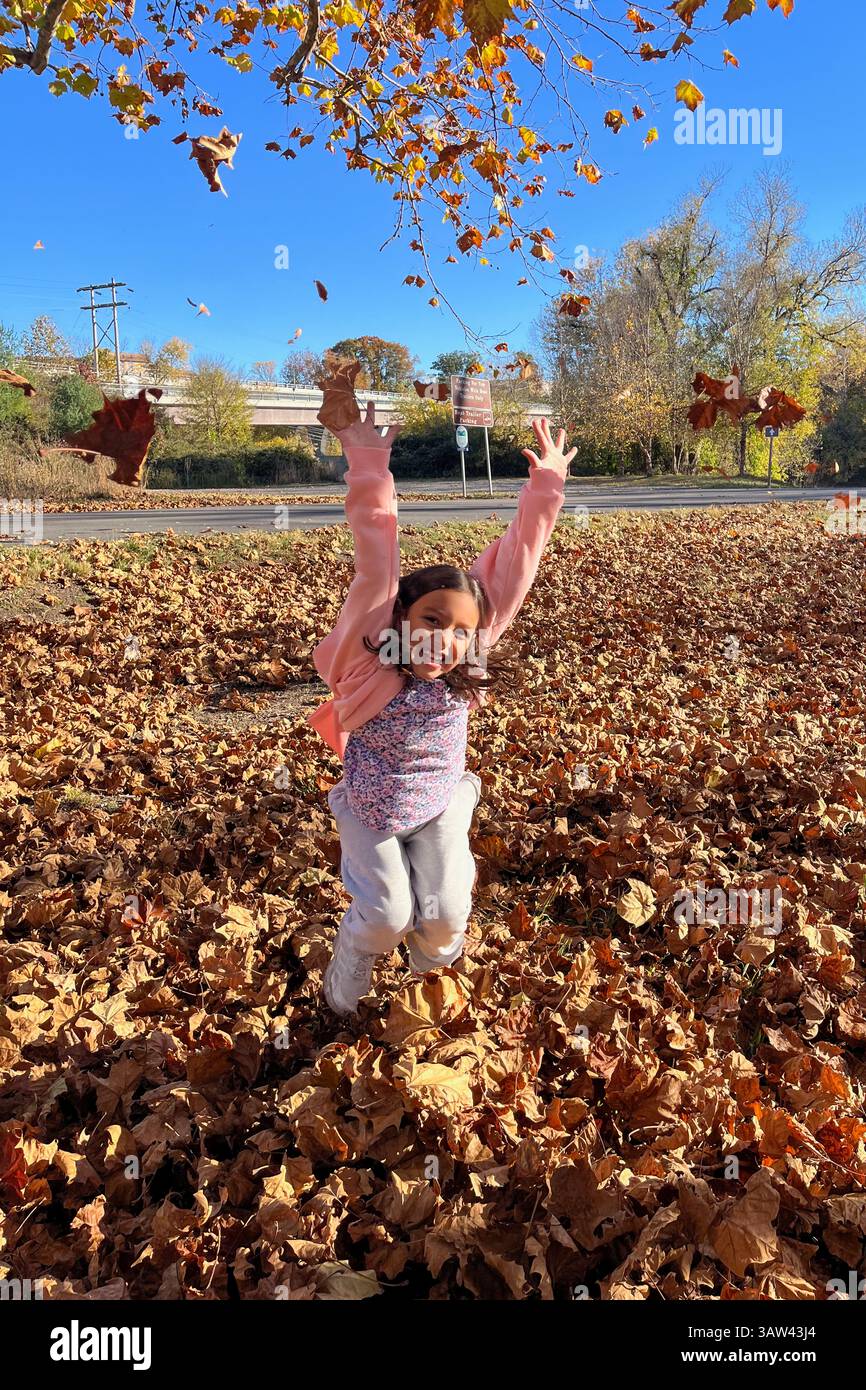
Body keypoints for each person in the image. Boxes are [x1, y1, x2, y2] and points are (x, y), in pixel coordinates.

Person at [308, 401, 575, 1015]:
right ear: (401, 617)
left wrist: (547, 488)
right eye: (430, 620)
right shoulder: (367, 658)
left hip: (437, 803)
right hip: (371, 809)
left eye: (460, 630)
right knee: (386, 913)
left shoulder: (469, 658)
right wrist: (369, 462)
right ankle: (352, 963)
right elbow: (376, 560)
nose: (443, 640)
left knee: (446, 913)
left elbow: (516, 564)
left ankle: (429, 980)